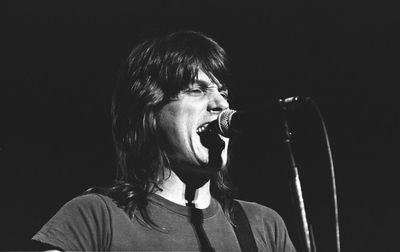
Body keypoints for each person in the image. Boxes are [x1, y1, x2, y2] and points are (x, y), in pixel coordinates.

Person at [31, 30, 297, 251]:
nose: (221, 104)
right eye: (196, 90)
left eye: (223, 93)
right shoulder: (95, 216)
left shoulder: (263, 226)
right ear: (150, 112)